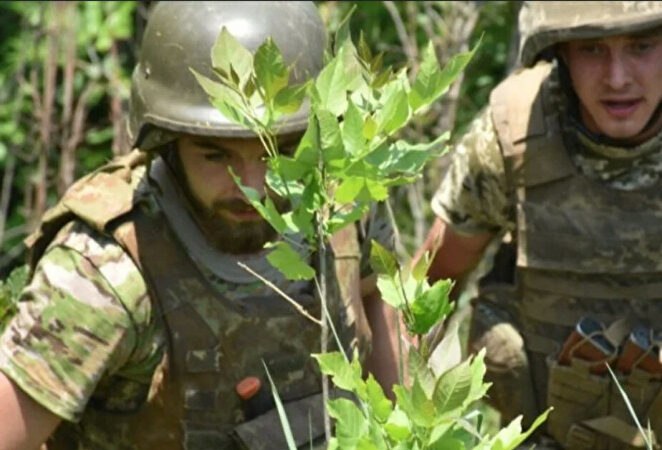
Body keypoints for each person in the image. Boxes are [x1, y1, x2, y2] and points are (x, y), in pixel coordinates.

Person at [0, 2, 397, 449]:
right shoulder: (105, 272)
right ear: (166, 140)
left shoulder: (342, 207)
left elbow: (386, 362)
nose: (253, 187)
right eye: (216, 155)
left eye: (280, 151)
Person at [411, 1, 662, 449]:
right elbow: (423, 299)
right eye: (591, 49)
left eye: (642, 46)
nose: (617, 78)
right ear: (560, 53)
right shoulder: (511, 140)